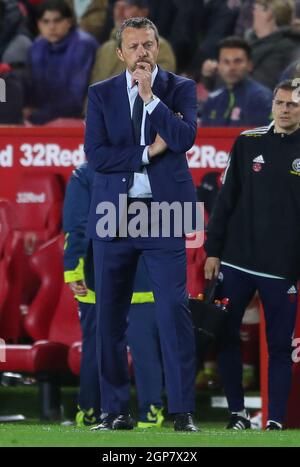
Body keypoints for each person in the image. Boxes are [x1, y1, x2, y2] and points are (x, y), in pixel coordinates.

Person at [85, 17, 199, 432]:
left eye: (148, 44)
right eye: (133, 47)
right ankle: (114, 410)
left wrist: (152, 100)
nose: (142, 53)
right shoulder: (100, 94)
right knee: (110, 315)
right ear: (120, 53)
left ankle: (182, 411)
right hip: (113, 212)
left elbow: (185, 139)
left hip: (164, 212)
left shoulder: (179, 88)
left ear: (158, 46)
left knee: (173, 310)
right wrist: (148, 154)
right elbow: (97, 156)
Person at [204, 79, 300, 430]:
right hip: (236, 261)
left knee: (279, 347)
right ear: (272, 104)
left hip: (282, 268)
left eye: (293, 104)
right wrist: (213, 251)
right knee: (225, 335)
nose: (286, 109)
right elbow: (225, 200)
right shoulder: (248, 142)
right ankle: (236, 414)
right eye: (281, 102)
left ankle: (274, 419)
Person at [63, 162, 164, 428]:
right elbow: (174, 220)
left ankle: (92, 412)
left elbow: (77, 225)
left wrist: (73, 268)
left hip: (101, 273)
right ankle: (150, 413)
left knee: (99, 347)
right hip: (145, 273)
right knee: (144, 349)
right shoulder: (154, 169)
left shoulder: (86, 173)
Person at [24, 0, 98, 124]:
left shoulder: (84, 45)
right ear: (38, 25)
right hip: (41, 117)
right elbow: (32, 89)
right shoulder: (36, 47)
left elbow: (76, 97)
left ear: (69, 22)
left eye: (57, 21)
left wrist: (36, 115)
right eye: (46, 22)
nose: (51, 27)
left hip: (77, 119)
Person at [90, 0, 176, 84]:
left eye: (126, 7)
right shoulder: (105, 49)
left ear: (143, 12)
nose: (119, 13)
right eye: (117, 7)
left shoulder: (160, 48)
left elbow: (158, 87)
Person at [201, 36, 273, 127]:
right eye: (226, 62)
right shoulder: (212, 100)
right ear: (218, 66)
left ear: (250, 65)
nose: (231, 68)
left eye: (237, 61)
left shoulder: (262, 98)